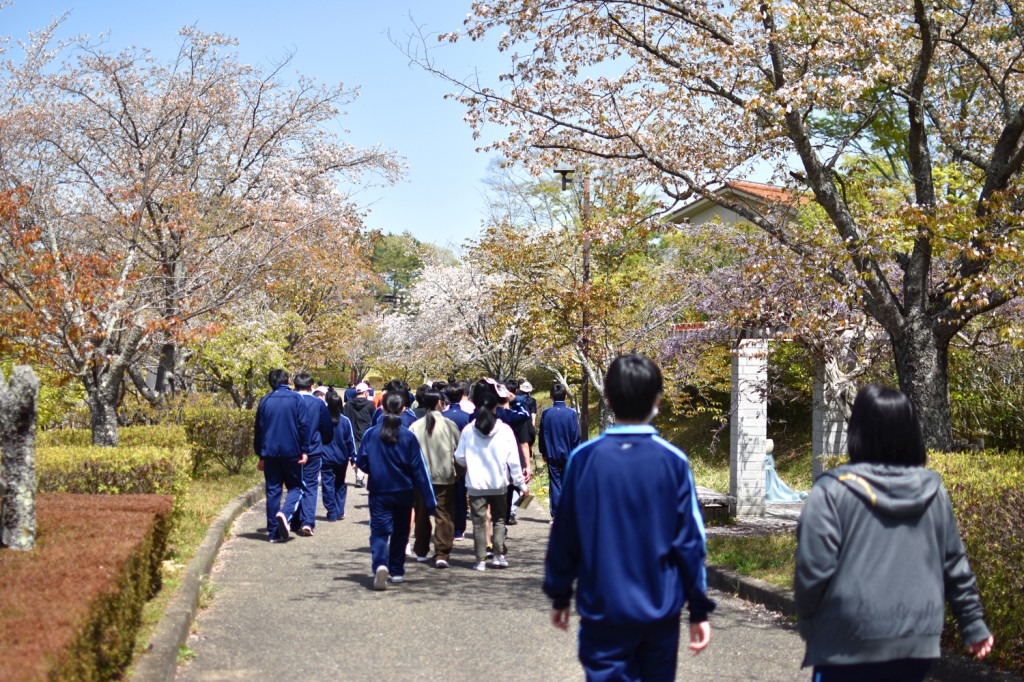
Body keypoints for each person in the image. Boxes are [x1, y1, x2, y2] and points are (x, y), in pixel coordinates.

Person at [794, 385, 994, 681]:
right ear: (911, 433)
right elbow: (954, 565)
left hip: (846, 640)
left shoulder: (832, 490)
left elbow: (812, 571)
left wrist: (811, 627)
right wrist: (973, 623)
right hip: (915, 640)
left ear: (857, 431)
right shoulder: (933, 491)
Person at [544, 354, 714, 680]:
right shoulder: (673, 462)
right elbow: (690, 542)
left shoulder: (584, 459)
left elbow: (566, 535)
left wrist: (560, 592)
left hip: (602, 610)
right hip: (659, 611)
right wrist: (698, 608)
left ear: (607, 398)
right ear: (657, 401)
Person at [356, 391, 436, 590]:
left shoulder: (371, 434)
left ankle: (380, 564)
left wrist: (374, 468)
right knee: (401, 531)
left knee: (379, 532)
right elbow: (420, 469)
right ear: (403, 409)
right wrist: (430, 501)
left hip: (379, 491)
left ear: (381, 407)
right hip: (404, 491)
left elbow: (362, 462)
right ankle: (397, 571)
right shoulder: (409, 436)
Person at [455, 390, 528, 571]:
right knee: (499, 520)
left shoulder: (468, 430)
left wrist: (470, 464)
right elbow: (513, 462)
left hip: (476, 484)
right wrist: (521, 484)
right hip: (499, 483)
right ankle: (498, 556)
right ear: (496, 407)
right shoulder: (504, 430)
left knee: (479, 523)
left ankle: (480, 560)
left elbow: (459, 457)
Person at [253, 369, 310, 542]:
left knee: (273, 491)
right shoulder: (296, 399)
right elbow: (304, 426)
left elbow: (259, 429)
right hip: (292, 451)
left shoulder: (265, 401)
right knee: (296, 487)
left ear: (271, 382)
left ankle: (273, 533)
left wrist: (260, 454)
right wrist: (305, 449)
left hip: (269, 452)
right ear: (288, 380)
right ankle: (285, 515)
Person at [409, 388, 462, 568]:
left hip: (421, 478)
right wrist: (459, 473)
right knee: (444, 515)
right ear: (440, 403)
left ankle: (421, 550)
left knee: (422, 515)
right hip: (445, 476)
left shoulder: (416, 426)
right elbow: (459, 451)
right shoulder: (449, 425)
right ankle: (442, 553)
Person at [293, 371, 334, 536]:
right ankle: (307, 522)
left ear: (295, 386)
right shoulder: (318, 404)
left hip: (292, 451)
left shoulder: (291, 401)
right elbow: (327, 427)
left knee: (295, 485)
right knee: (310, 485)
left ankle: (294, 520)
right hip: (314, 449)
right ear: (311, 387)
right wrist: (323, 441)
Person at [537, 381, 580, 520]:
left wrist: (543, 451)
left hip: (551, 453)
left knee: (555, 482)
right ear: (566, 396)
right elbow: (575, 435)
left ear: (551, 396)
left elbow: (542, 434)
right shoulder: (571, 414)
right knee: (567, 482)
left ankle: (556, 514)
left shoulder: (546, 413)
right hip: (568, 452)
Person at [443, 383, 473, 541]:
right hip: (463, 459)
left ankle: (447, 525)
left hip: (444, 459)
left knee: (446, 495)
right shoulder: (467, 416)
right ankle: (459, 528)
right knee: (461, 494)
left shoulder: (442, 416)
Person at [322, 388, 357, 521]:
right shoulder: (345, 421)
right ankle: (339, 510)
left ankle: (331, 511)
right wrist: (353, 457)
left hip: (325, 457)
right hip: (342, 458)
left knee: (327, 485)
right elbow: (350, 440)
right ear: (340, 405)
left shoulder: (322, 420)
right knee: (340, 484)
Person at [344, 382, 375, 488]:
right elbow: (374, 418)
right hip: (365, 433)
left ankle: (358, 476)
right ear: (366, 392)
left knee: (355, 455)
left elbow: (345, 419)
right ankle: (359, 477)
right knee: (364, 456)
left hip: (352, 433)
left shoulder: (348, 404)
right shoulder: (370, 405)